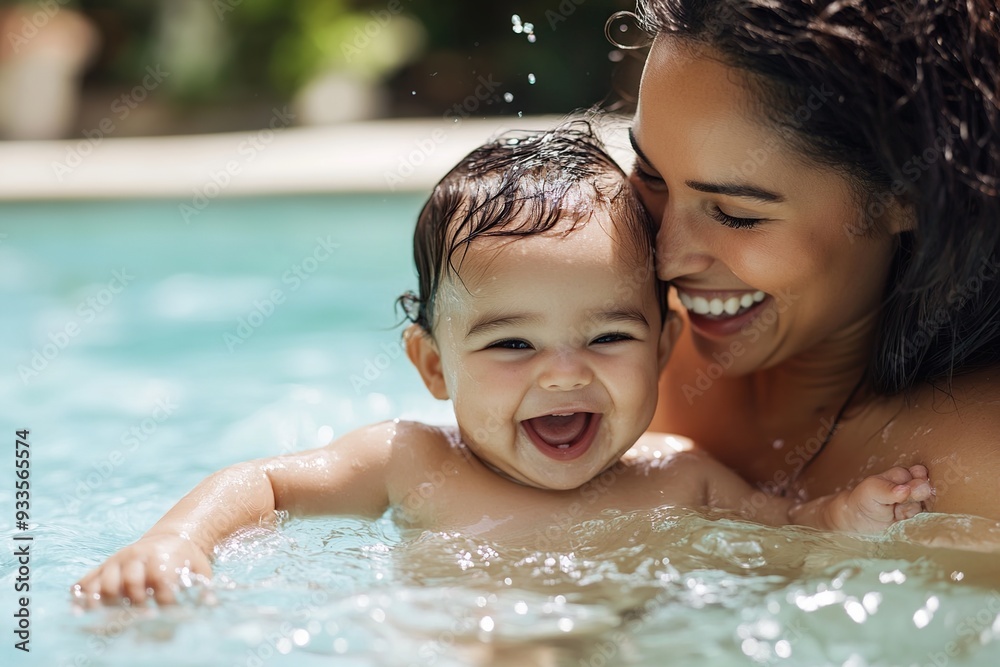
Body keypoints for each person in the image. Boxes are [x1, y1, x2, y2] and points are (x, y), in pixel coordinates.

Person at [73, 122, 932, 606]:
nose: (562, 375)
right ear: (433, 365)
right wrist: (178, 540)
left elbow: (778, 539)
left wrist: (844, 519)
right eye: (512, 343)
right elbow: (261, 482)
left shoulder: (680, 477)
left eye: (607, 337)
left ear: (666, 347)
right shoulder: (410, 461)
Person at [625, 0, 1000, 518]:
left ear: (908, 195)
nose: (663, 259)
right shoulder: (616, 361)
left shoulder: (974, 474)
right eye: (650, 176)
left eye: (736, 214)